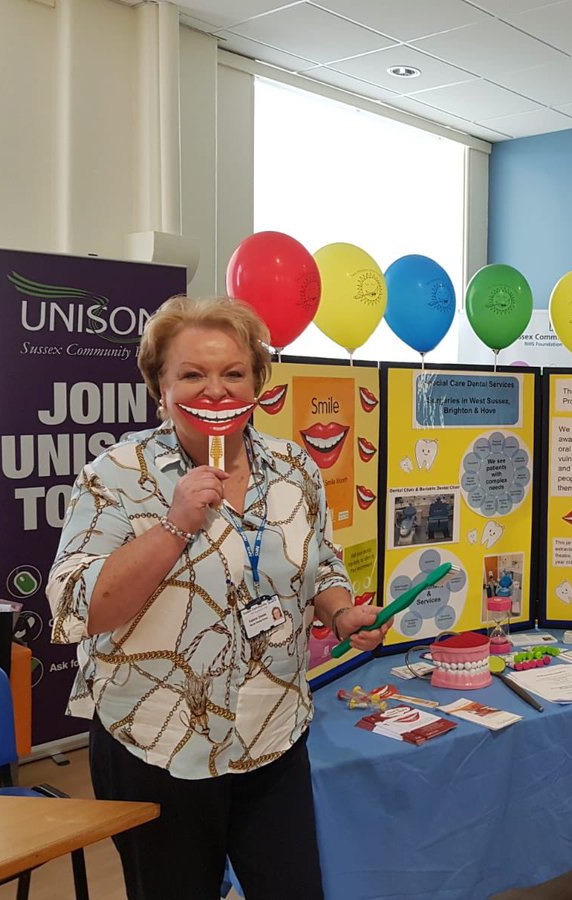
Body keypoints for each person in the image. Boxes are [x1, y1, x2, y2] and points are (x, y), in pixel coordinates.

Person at [46, 296, 390, 900]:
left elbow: (322, 563)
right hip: (157, 741)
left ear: (258, 381)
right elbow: (79, 608)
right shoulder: (116, 476)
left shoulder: (295, 467)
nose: (216, 391)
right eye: (192, 375)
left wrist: (339, 611)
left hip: (273, 734)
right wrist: (174, 524)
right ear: (160, 386)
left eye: (233, 373)